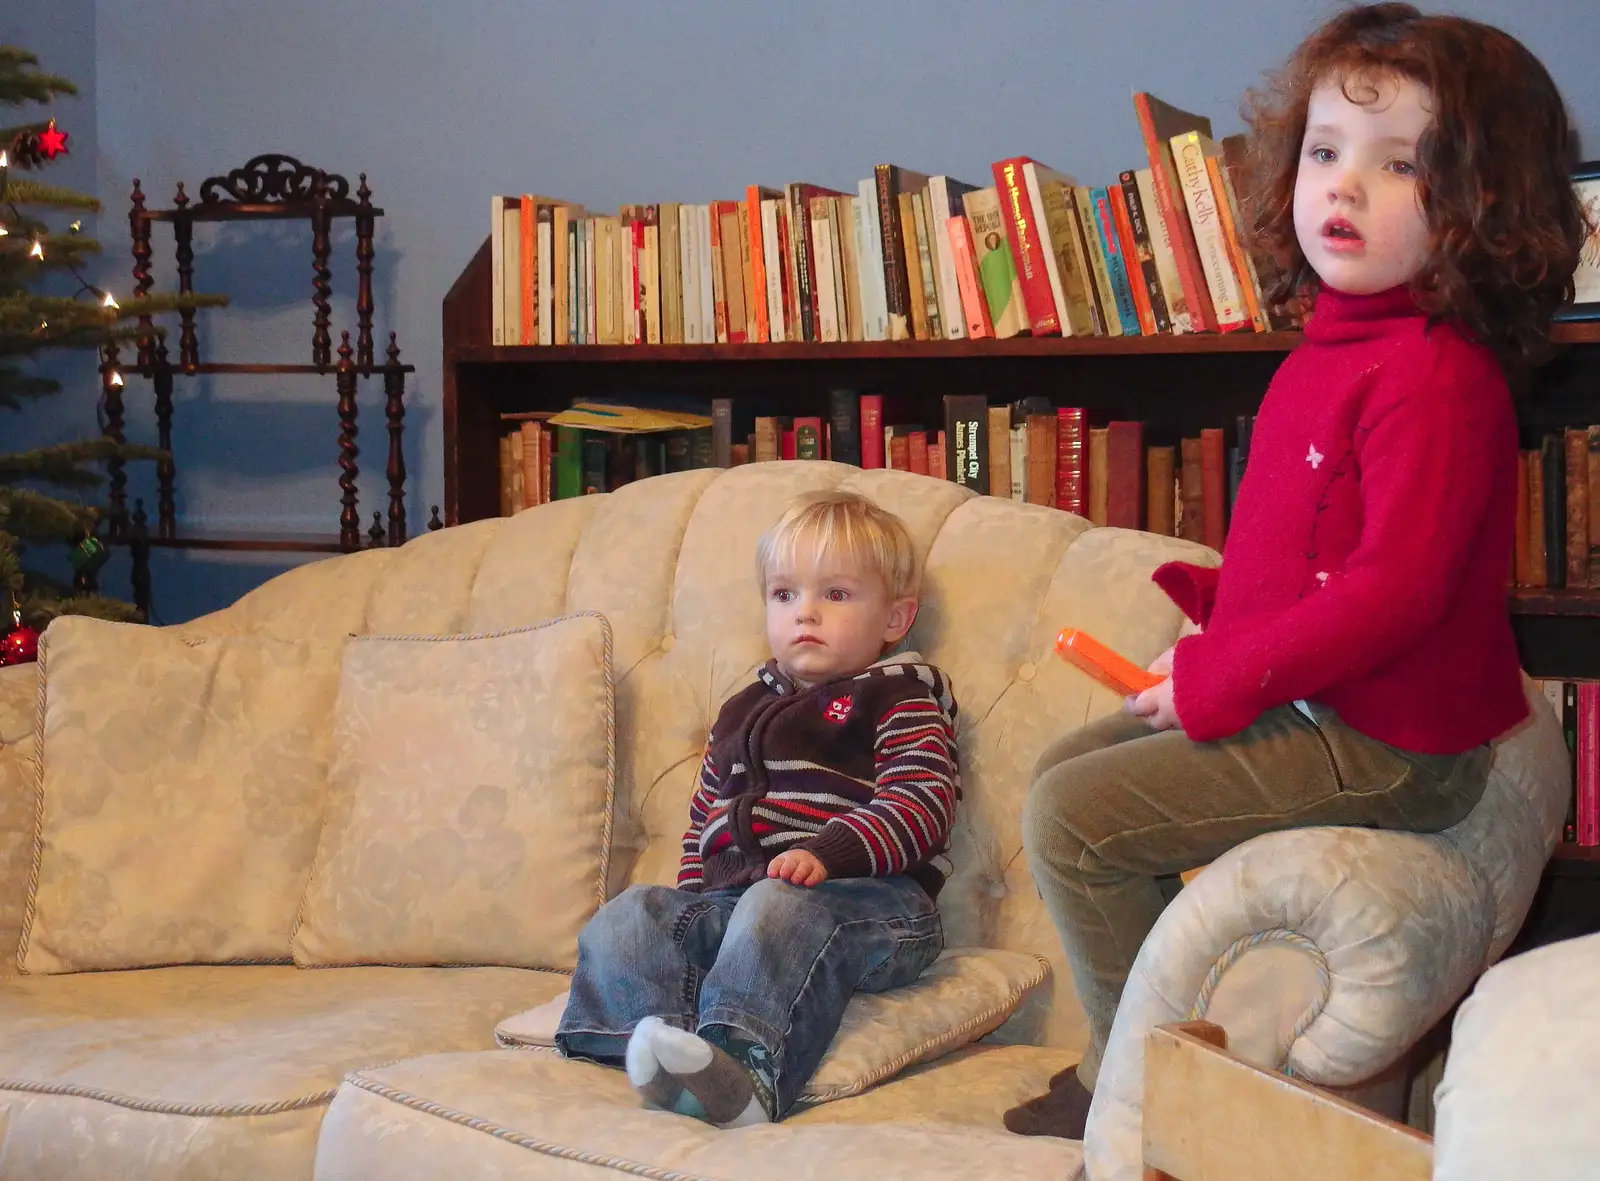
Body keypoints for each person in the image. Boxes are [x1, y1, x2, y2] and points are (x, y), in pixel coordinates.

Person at [1006, 1, 1586, 1141]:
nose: (1343, 188)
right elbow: (1298, 550)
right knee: (1068, 769)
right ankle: (1128, 1051)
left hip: (1390, 741)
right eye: (1325, 153)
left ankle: (1141, 1098)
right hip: (1323, 696)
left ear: (1479, 209)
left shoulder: (1434, 373)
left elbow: (1393, 591)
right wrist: (1212, 640)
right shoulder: (1336, 342)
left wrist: (1227, 682)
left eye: (1398, 165)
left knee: (1075, 815)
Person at [556, 489, 960, 1127]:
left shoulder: (899, 697)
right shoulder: (742, 709)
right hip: (738, 905)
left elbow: (921, 804)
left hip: (872, 904)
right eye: (784, 595)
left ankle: (742, 1074)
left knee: (777, 904)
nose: (806, 613)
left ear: (895, 619)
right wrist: (691, 903)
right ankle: (650, 1049)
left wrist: (826, 854)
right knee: (633, 911)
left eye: (836, 594)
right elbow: (702, 824)